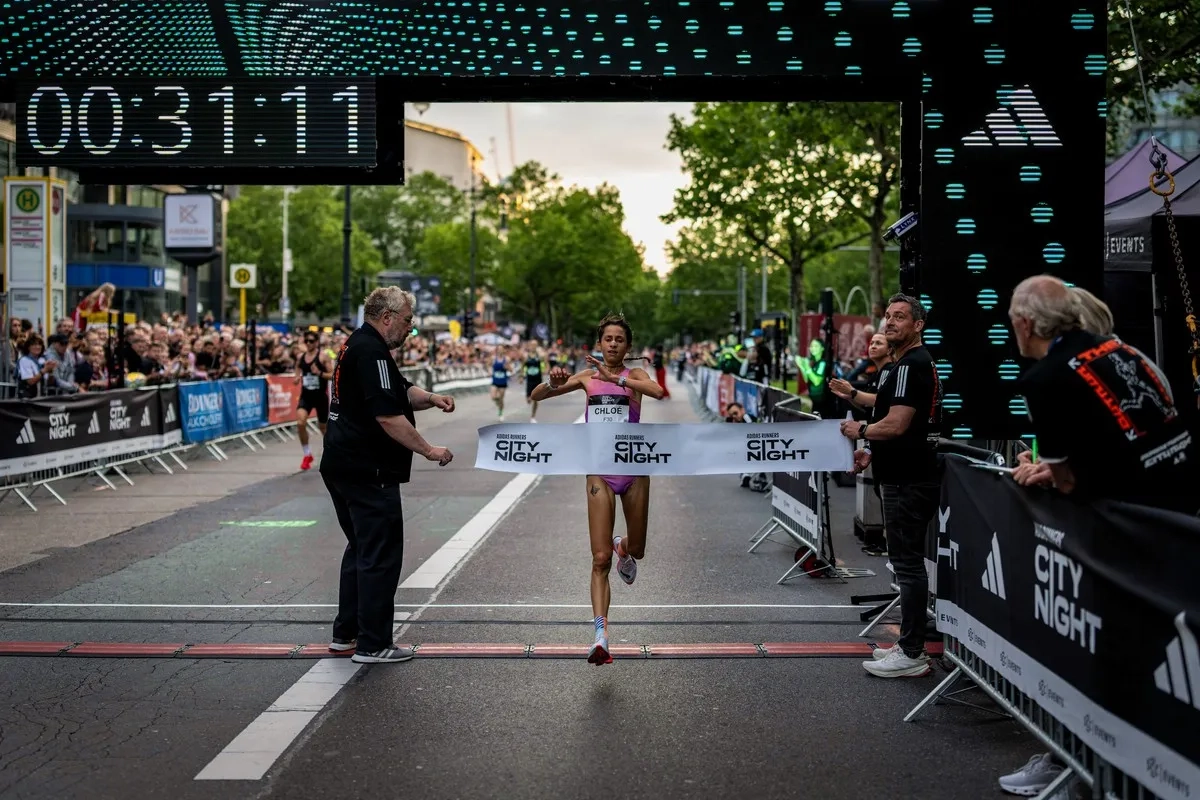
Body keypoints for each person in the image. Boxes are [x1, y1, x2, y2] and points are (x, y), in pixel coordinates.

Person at [320, 287, 457, 664]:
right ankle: (374, 643)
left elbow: (398, 391)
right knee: (380, 556)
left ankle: (345, 633)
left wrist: (430, 398)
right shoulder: (372, 350)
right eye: (408, 320)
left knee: (361, 550)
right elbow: (387, 415)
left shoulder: (361, 346)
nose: (411, 328)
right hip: (368, 468)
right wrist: (429, 449)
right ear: (388, 317)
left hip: (342, 463)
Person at [529, 312, 666, 665]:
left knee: (638, 549)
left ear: (628, 345)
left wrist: (616, 381)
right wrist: (552, 380)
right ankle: (600, 636)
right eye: (608, 339)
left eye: (620, 340)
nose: (614, 345)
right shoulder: (587, 377)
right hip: (598, 473)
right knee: (600, 558)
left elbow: (658, 392)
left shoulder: (635, 376)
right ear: (600, 342)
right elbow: (539, 394)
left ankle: (624, 546)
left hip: (634, 471)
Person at [1009, 274, 1196, 513]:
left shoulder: (1043, 379)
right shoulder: (1123, 351)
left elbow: (1065, 483)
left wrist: (1055, 473)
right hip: (1183, 496)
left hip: (1140, 513)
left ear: (1025, 325)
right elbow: (1112, 444)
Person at [837, 293, 942, 678]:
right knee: (905, 564)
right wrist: (871, 447)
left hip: (911, 480)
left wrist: (860, 430)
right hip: (898, 475)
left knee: (908, 565)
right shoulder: (899, 366)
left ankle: (913, 653)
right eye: (888, 316)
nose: (890, 322)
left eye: (900, 317)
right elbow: (888, 411)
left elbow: (897, 425)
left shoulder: (914, 364)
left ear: (918, 326)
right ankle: (908, 645)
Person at [295, 331, 334, 471]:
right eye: (307, 341)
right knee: (300, 423)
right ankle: (307, 454)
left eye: (311, 341)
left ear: (317, 342)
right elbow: (298, 368)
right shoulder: (301, 357)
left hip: (320, 397)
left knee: (323, 428)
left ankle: (332, 453)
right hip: (306, 396)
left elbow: (333, 375)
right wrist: (296, 377)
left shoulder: (323, 357)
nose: (309, 343)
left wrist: (320, 373)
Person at [523, 350, 544, 423]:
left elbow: (546, 363)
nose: (533, 347)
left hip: (538, 379)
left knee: (536, 398)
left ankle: (533, 416)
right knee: (529, 400)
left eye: (535, 345)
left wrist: (546, 369)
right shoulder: (526, 356)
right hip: (529, 380)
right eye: (532, 345)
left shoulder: (539, 355)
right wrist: (521, 376)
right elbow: (522, 365)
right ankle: (529, 398)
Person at [490, 349, 509, 419]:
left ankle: (501, 412)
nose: (500, 351)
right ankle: (499, 404)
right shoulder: (493, 358)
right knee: (493, 397)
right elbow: (488, 364)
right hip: (495, 381)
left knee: (501, 398)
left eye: (501, 350)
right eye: (499, 350)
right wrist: (489, 370)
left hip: (503, 381)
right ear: (497, 351)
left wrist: (507, 367)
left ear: (503, 351)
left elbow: (511, 369)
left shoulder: (506, 359)